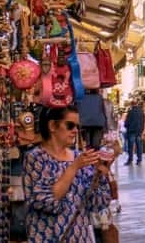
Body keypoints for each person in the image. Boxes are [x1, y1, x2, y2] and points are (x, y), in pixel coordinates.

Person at [27, 104, 117, 243]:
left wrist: (100, 174)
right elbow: (47, 201)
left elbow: (97, 203)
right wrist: (74, 167)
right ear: (52, 126)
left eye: (77, 126)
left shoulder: (80, 157)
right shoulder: (36, 158)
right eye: (70, 125)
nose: (75, 131)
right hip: (48, 236)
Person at [123, 99, 145, 166]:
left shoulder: (130, 112)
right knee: (139, 146)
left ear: (131, 104)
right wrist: (142, 130)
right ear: (137, 104)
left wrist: (126, 126)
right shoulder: (142, 112)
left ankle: (130, 160)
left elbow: (127, 122)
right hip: (139, 131)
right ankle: (139, 160)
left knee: (130, 146)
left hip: (131, 131)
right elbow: (143, 121)